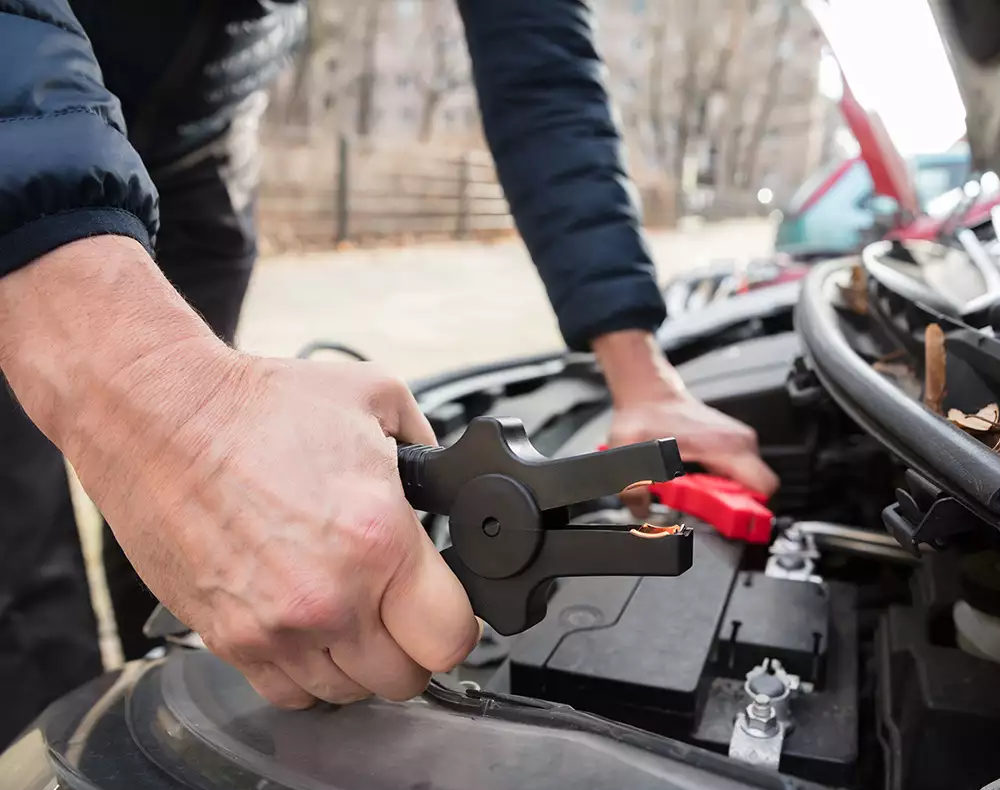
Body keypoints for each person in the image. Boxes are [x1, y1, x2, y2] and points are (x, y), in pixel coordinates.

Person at [0, 0, 778, 745]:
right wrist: (160, 397)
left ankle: (175, 686)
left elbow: (543, 72)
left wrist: (640, 374)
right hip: (26, 132)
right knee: (22, 550)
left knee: (209, 550)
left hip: (199, 144)